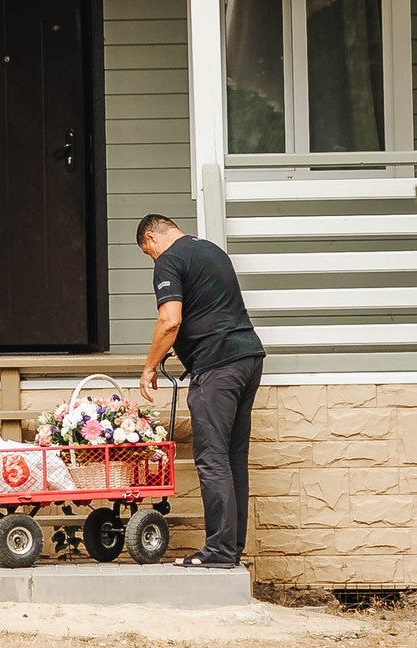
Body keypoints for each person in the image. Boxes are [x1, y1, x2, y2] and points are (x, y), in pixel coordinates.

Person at [136, 213, 264, 568]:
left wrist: (149, 367)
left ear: (152, 237)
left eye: (147, 251)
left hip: (218, 367)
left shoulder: (168, 260)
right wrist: (189, 344)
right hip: (248, 358)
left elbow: (170, 320)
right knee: (233, 458)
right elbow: (212, 309)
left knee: (212, 457)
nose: (152, 258)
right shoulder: (212, 251)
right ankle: (231, 548)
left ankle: (219, 551)